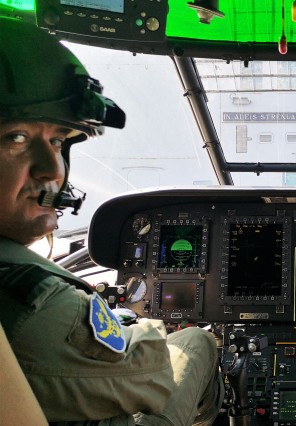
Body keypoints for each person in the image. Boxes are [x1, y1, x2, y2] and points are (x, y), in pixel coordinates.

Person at [0, 17, 223, 425]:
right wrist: (148, 327)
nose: (52, 169)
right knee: (197, 341)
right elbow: (153, 377)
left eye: (57, 141)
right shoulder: (33, 302)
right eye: (16, 137)